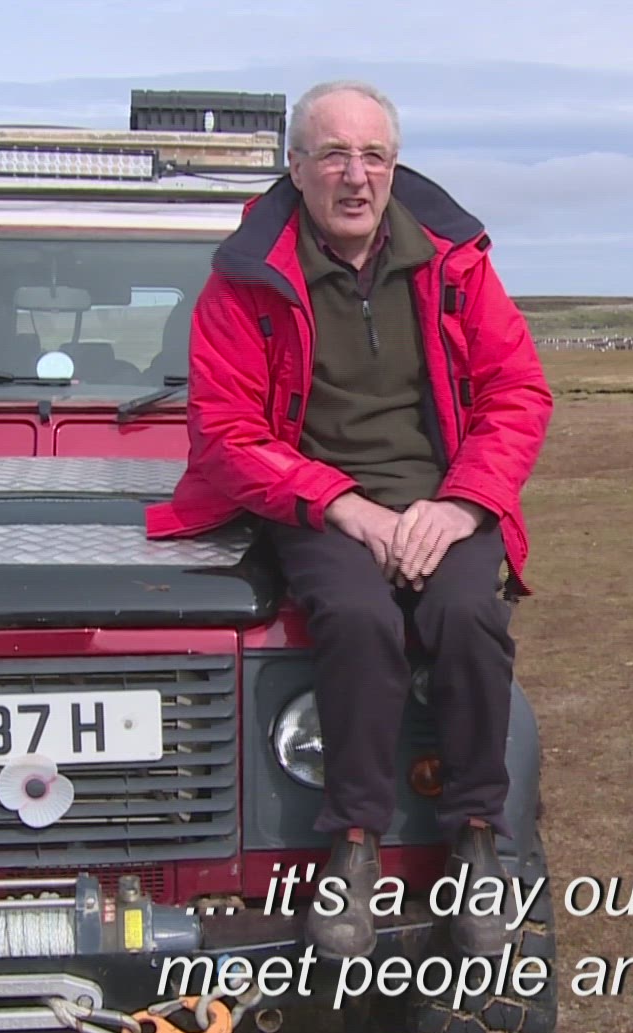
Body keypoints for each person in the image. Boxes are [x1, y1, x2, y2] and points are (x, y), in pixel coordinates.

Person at [145, 79, 552, 959]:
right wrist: (344, 507)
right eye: (334, 155)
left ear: (395, 165)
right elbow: (226, 432)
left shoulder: (456, 262)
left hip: (445, 496)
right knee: (357, 617)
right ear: (296, 167)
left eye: (373, 155)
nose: (356, 175)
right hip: (318, 501)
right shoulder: (245, 279)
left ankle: (480, 838)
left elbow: (517, 392)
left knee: (469, 614)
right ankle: (355, 846)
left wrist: (462, 504)